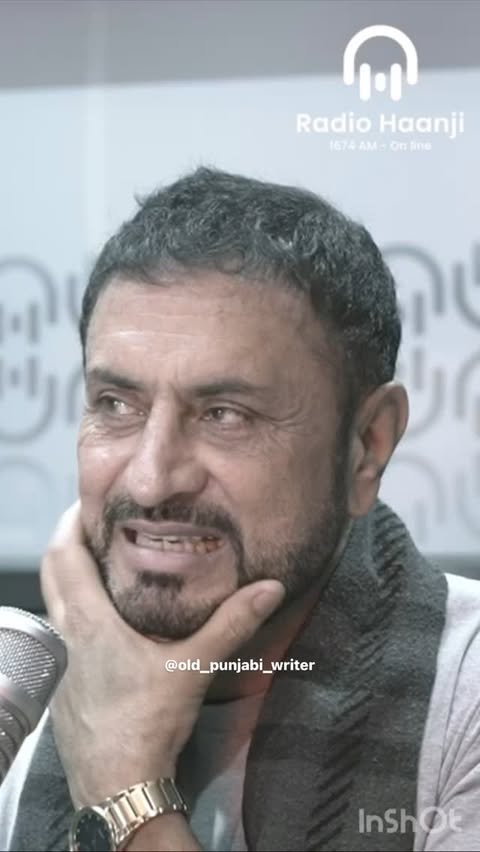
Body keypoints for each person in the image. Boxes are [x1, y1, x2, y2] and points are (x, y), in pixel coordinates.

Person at [1, 166, 479, 852]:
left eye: (225, 414)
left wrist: (122, 786)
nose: (151, 479)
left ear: (367, 446)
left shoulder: (465, 698)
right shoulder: (20, 700)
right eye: (116, 404)